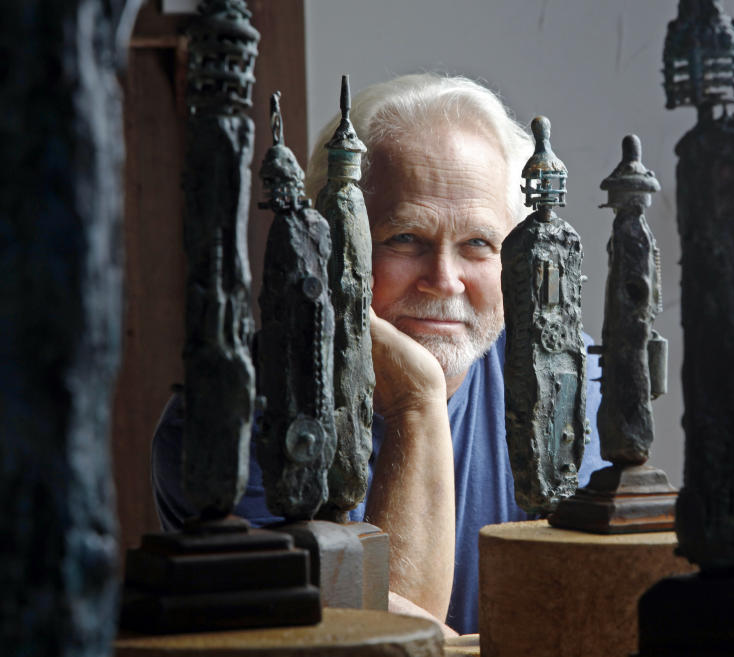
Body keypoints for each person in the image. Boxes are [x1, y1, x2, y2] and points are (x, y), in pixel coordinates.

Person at [152, 73, 606, 635]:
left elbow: (592, 611)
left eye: (478, 244)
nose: (445, 281)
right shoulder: (226, 421)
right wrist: (417, 403)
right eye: (404, 238)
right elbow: (376, 647)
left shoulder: (563, 375)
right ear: (332, 243)